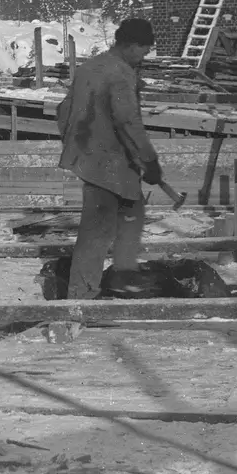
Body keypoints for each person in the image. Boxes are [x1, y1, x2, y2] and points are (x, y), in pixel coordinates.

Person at [57, 18, 164, 300]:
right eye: (143, 49)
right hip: (109, 163)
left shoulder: (90, 67)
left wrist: (77, 146)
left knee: (132, 211)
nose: (145, 55)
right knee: (97, 230)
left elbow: (64, 110)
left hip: (93, 157)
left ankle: (122, 276)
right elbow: (129, 121)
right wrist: (149, 160)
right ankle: (82, 296)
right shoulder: (121, 74)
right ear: (131, 45)